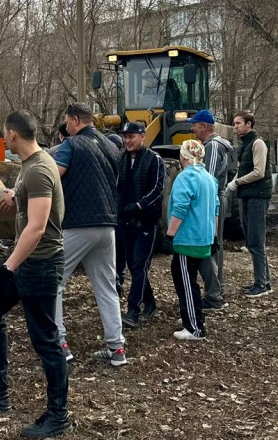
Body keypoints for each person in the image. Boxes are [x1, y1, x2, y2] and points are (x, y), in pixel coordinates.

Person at [0, 110, 70, 438]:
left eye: (4, 134)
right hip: (27, 262)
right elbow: (31, 198)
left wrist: (8, 266)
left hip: (39, 264)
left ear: (12, 134)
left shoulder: (39, 169)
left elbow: (37, 227)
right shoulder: (31, 165)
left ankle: (58, 416)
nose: (3, 139)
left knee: (46, 340)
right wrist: (15, 196)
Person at [51, 102, 125, 366]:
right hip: (108, 225)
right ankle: (117, 348)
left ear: (75, 120)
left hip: (78, 224)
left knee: (53, 282)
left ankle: (59, 344)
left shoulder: (71, 145)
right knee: (106, 287)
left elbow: (51, 177)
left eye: (66, 121)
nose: (66, 126)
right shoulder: (111, 146)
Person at [162, 139, 218, 341]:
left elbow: (180, 208)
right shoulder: (209, 178)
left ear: (183, 156)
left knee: (186, 282)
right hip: (204, 238)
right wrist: (214, 236)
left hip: (188, 239)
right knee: (188, 279)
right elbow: (216, 209)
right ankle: (191, 315)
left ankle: (194, 327)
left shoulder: (185, 177)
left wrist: (170, 234)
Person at [115, 121, 164, 328]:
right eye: (125, 137)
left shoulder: (154, 159)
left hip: (146, 221)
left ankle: (133, 310)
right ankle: (150, 303)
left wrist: (138, 205)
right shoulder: (120, 159)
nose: (127, 141)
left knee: (139, 265)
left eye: (131, 136)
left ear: (142, 137)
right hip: (125, 220)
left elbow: (157, 189)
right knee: (134, 266)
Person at [190, 109, 236, 311]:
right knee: (214, 243)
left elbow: (207, 179)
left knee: (211, 244)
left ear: (204, 126)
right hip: (215, 198)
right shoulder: (212, 145)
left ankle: (214, 294)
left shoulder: (213, 146)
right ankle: (217, 289)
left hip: (213, 199)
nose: (192, 129)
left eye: (195, 125)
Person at [225, 110, 273, 298]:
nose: (235, 127)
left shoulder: (257, 143)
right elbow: (244, 169)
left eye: (238, 123)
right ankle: (263, 281)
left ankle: (261, 284)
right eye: (234, 123)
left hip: (257, 195)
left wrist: (236, 182)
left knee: (256, 240)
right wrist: (232, 184)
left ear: (249, 124)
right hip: (248, 195)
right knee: (252, 239)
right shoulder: (245, 144)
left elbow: (258, 172)